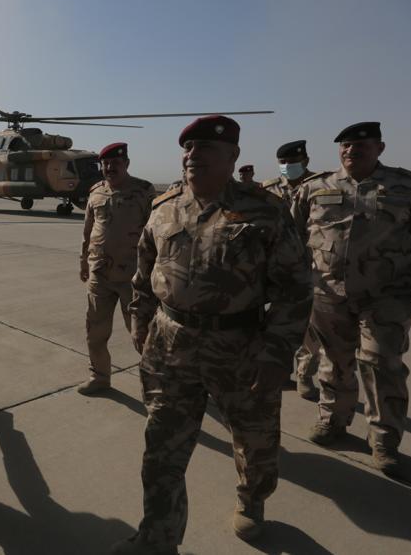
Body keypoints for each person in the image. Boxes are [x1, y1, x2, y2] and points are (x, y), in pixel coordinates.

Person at [113, 116, 312, 554]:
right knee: (161, 449)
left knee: (255, 442)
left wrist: (277, 351)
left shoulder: (264, 210)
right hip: (170, 347)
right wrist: (140, 323)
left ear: (232, 156)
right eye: (188, 148)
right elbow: (144, 274)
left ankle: (252, 498)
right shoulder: (164, 207)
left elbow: (295, 288)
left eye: (205, 148)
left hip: (240, 348)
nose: (193, 155)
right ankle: (157, 538)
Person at [291, 122, 411, 476]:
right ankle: (333, 420)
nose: (351, 150)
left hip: (387, 296)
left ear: (380, 148)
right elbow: (292, 238)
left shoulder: (409, 186)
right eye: (345, 145)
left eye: (361, 145)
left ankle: (384, 440)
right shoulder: (315, 187)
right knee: (333, 362)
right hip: (328, 294)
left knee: (382, 366)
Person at [77, 142, 155, 395]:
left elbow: (157, 234)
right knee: (95, 332)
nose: (110, 167)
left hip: (134, 277)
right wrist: (83, 261)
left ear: (126, 164)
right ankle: (99, 377)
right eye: (106, 164)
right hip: (99, 274)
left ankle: (156, 383)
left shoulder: (144, 191)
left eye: (116, 163)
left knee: (141, 334)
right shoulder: (96, 192)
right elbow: (88, 230)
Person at [262, 139, 320, 400]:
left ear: (305, 161)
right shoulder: (268, 188)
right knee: (276, 323)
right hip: (276, 268)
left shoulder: (321, 186)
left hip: (312, 266)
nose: (287, 166)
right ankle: (281, 370)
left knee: (311, 327)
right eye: (283, 162)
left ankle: (305, 374)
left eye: (292, 162)